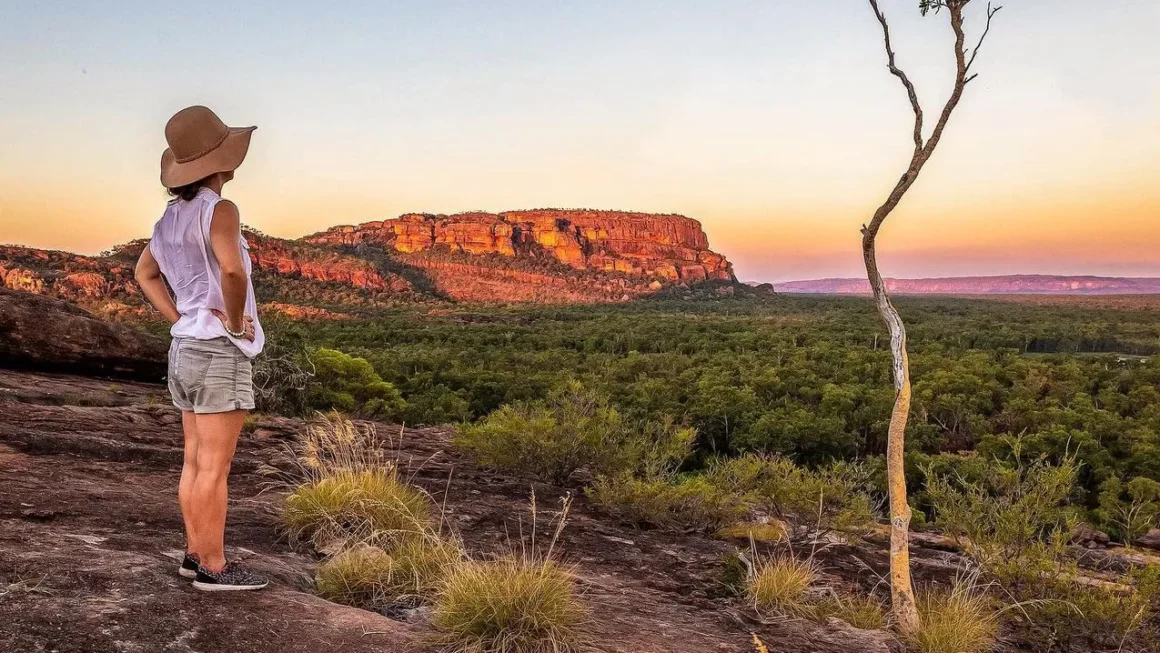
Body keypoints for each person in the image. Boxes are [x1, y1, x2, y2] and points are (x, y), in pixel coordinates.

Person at [134, 105, 268, 591]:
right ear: (220, 163)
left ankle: (194, 556)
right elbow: (233, 271)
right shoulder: (220, 210)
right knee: (214, 467)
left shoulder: (170, 218)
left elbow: (143, 274)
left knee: (194, 461)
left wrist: (180, 319)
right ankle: (214, 565)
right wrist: (235, 322)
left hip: (185, 350)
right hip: (216, 352)